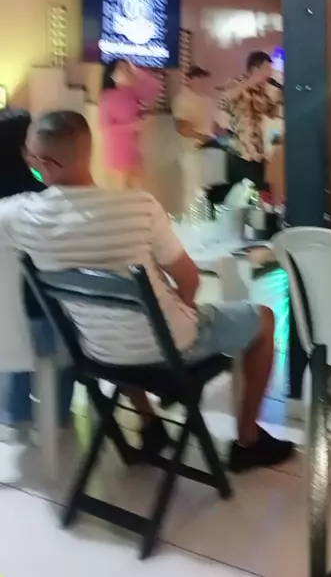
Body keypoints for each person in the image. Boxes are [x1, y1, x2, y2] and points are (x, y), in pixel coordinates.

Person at [0, 110, 293, 473]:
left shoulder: (19, 215)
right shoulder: (139, 206)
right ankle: (248, 440)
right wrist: (184, 316)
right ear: (89, 152)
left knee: (120, 318)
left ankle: (151, 423)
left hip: (98, 352)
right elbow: (190, 280)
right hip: (169, 348)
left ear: (40, 162)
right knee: (264, 319)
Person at [0, 109, 74, 429]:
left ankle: (14, 412)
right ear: (25, 145)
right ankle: (57, 414)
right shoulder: (42, 195)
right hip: (43, 310)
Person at [221, 51, 281, 190]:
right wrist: (249, 82)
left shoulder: (262, 89)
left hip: (257, 154)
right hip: (240, 153)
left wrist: (279, 94)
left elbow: (272, 112)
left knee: (259, 196)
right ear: (255, 69)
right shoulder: (237, 82)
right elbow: (224, 100)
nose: (270, 73)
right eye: (267, 69)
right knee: (238, 196)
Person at [98, 59, 159, 189]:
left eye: (127, 68)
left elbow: (154, 85)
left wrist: (136, 70)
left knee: (141, 191)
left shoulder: (133, 92)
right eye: (121, 68)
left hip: (135, 151)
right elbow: (105, 127)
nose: (126, 71)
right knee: (122, 193)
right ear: (112, 75)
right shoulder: (107, 97)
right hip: (118, 153)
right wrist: (132, 126)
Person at [172, 66, 216, 213]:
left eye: (203, 78)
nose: (201, 82)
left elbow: (212, 124)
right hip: (191, 150)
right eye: (197, 78)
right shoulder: (182, 99)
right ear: (190, 79)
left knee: (208, 188)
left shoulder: (208, 100)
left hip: (210, 151)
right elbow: (182, 128)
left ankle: (207, 218)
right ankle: (192, 220)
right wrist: (202, 137)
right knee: (193, 187)